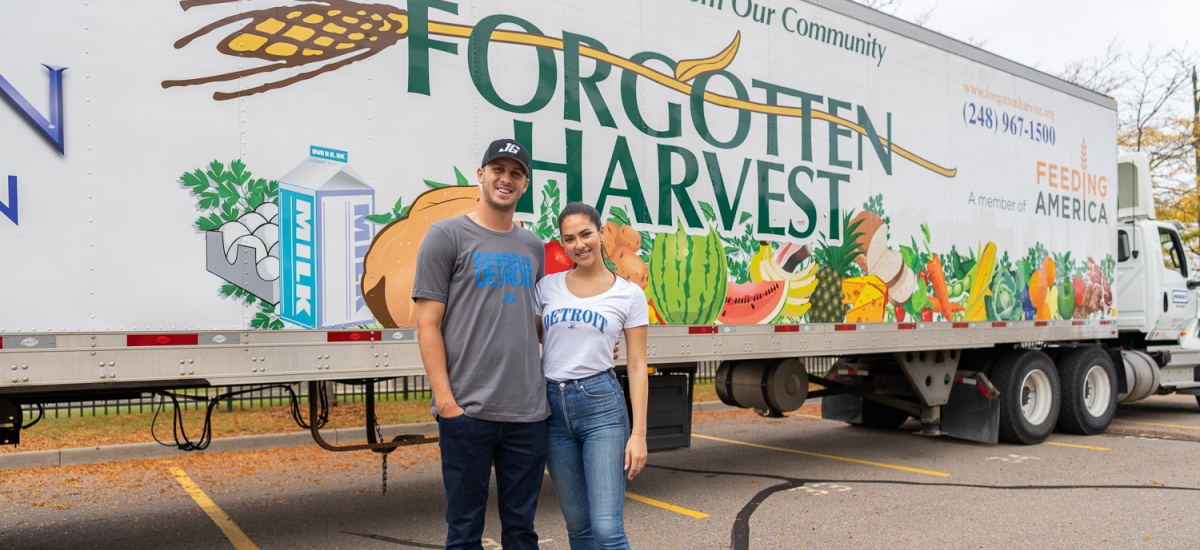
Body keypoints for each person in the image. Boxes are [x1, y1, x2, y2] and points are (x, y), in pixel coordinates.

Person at [412, 138, 548, 550]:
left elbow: (536, 322)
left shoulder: (533, 246)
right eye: (498, 170)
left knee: (522, 532)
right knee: (465, 531)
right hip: (468, 412)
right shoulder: (446, 235)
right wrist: (448, 404)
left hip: (527, 413)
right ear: (481, 174)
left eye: (516, 173)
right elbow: (427, 324)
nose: (506, 179)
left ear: (524, 184)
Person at [536, 202, 649, 550]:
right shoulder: (546, 287)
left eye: (585, 234)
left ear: (601, 234)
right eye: (569, 239)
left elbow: (637, 364)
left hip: (601, 406)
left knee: (606, 530)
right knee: (579, 527)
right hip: (552, 408)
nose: (579, 245)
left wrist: (639, 434)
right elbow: (541, 338)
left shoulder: (629, 294)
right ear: (562, 243)